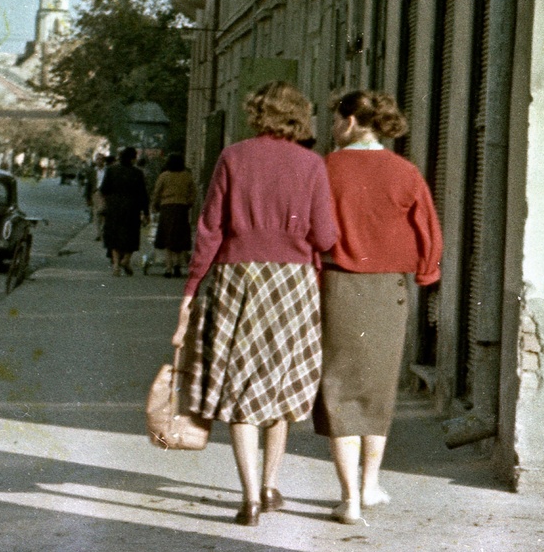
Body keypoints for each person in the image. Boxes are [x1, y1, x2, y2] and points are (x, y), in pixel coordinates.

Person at [172, 80, 338, 527]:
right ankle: (269, 486)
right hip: (292, 283)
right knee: (280, 385)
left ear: (256, 112)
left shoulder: (233, 157)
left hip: (236, 278)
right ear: (299, 116)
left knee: (240, 386)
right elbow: (325, 237)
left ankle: (246, 499)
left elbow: (209, 230)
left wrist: (190, 291)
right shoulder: (312, 164)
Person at [319, 90, 443, 525]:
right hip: (390, 290)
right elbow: (428, 228)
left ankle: (348, 497)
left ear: (350, 121)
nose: (333, 126)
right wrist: (426, 274)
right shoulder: (405, 172)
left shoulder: (327, 168)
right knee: (378, 387)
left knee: (339, 389)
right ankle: (370, 486)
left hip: (337, 287)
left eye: (336, 118)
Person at [99, 146, 150, 276]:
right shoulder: (137, 173)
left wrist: (106, 203)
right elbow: (143, 194)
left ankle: (116, 265)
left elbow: (104, 189)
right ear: (133, 158)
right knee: (131, 236)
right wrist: (146, 212)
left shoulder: (111, 170)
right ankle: (126, 260)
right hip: (132, 208)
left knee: (114, 236)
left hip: (114, 208)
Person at [151, 153, 197, 277]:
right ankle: (177, 264)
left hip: (167, 208)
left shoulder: (164, 176)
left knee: (167, 237)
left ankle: (168, 267)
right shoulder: (187, 176)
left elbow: (157, 192)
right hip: (182, 208)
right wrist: (189, 203)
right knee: (178, 237)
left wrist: (154, 205)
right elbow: (193, 191)